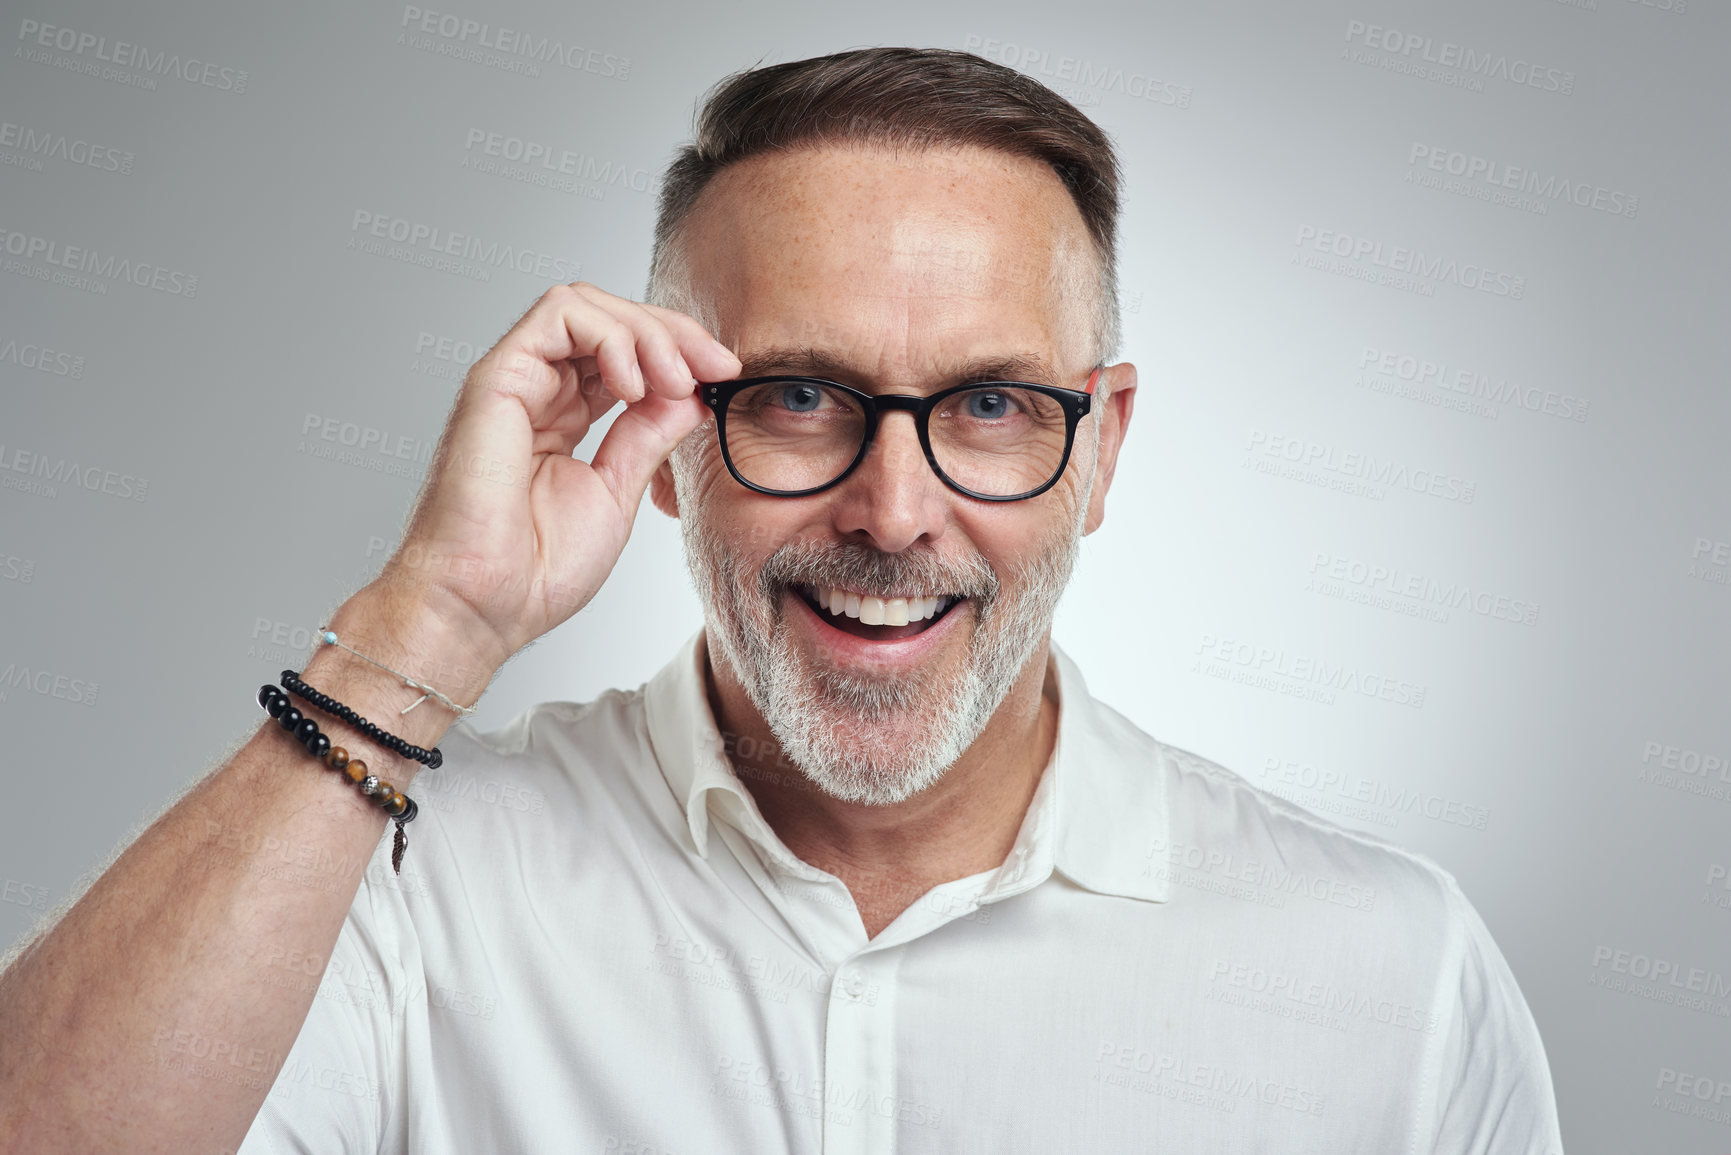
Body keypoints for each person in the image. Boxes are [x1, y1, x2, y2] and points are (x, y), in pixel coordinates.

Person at [0, 47, 1562, 1154]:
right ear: (669, 433)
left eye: (996, 408)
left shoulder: (1393, 975)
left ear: (1104, 452)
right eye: (805, 396)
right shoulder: (397, 879)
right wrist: (429, 624)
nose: (893, 512)